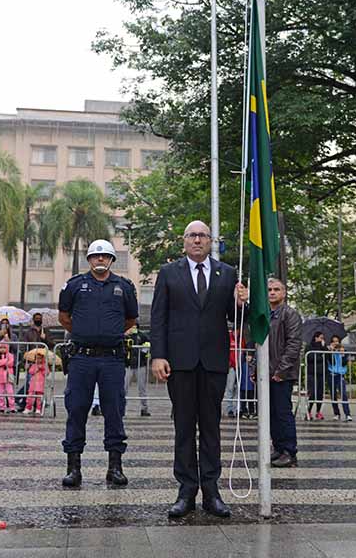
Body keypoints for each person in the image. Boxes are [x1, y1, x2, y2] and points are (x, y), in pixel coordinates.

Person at [150, 220, 248, 519]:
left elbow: (235, 317)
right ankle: (186, 490)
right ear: (184, 241)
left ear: (210, 241)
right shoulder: (169, 273)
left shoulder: (227, 273)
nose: (197, 240)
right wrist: (158, 356)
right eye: (192, 235)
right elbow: (159, 318)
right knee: (183, 428)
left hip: (214, 362)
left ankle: (212, 491)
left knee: (211, 428)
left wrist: (242, 302)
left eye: (202, 235)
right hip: (179, 363)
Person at [59, 239, 138, 488]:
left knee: (114, 411)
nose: (100, 260)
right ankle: (74, 468)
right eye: (95, 256)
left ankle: (115, 467)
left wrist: (108, 334)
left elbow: (130, 319)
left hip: (112, 359)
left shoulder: (124, 287)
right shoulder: (75, 285)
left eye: (105, 256)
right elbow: (64, 317)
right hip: (81, 357)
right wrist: (85, 333)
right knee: (77, 410)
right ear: (89, 260)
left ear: (112, 260)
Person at [265, 278, 302, 468]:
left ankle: (289, 451)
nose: (272, 292)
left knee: (283, 412)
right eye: (270, 289)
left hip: (282, 374)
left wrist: (281, 370)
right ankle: (278, 447)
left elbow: (293, 345)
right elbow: (259, 342)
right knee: (270, 413)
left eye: (276, 289)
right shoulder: (265, 315)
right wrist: (256, 367)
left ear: (284, 293)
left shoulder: (290, 315)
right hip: (267, 373)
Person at [123, 323, 151, 417]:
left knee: (142, 388)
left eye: (134, 326)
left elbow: (148, 344)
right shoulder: (125, 335)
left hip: (140, 365)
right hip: (128, 365)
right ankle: (122, 408)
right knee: (124, 388)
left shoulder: (142, 335)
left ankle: (144, 409)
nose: (133, 328)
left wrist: (143, 355)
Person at [328, 336, 352, 422]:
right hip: (332, 374)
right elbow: (331, 362)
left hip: (341, 375)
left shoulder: (343, 351)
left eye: (337, 341)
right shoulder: (329, 352)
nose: (335, 343)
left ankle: (347, 414)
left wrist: (342, 355)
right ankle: (336, 413)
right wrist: (331, 352)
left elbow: (344, 363)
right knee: (333, 395)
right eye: (333, 341)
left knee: (343, 394)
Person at [305, 331, 327, 420]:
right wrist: (320, 355)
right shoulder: (309, 347)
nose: (322, 340)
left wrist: (324, 347)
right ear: (316, 337)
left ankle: (318, 412)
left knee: (320, 393)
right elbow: (310, 357)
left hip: (321, 373)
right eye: (321, 338)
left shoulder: (322, 347)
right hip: (312, 373)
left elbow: (327, 356)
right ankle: (309, 411)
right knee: (313, 393)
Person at [0, 341, 16, 414]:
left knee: (10, 392)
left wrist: (1, 362)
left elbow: (11, 363)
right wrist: (5, 361)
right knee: (0, 392)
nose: (2, 349)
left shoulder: (10, 355)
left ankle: (12, 407)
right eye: (1, 347)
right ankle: (2, 407)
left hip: (8, 376)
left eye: (4, 347)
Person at [23, 349, 49, 416]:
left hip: (40, 384)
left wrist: (42, 369)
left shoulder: (45, 365)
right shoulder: (34, 365)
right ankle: (28, 408)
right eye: (37, 359)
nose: (38, 360)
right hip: (33, 383)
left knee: (39, 398)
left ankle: (38, 408)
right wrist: (37, 368)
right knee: (30, 396)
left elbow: (47, 373)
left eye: (40, 359)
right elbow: (31, 371)